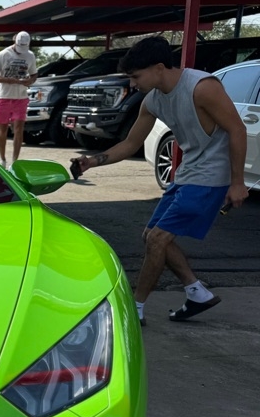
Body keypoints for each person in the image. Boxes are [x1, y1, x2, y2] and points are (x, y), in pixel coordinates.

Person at [71, 35, 248, 325]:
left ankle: (135, 308)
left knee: (157, 239)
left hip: (211, 176)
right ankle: (196, 292)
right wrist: (93, 161)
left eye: (135, 76)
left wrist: (237, 182)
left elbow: (237, 129)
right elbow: (130, 143)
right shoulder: (152, 101)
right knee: (151, 236)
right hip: (189, 172)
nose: (132, 84)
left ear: (159, 68)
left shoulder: (202, 88)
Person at [0, 31, 38, 168]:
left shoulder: (30, 55)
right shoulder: (4, 54)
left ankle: (15, 161)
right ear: (15, 41)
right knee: (2, 129)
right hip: (4, 96)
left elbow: (34, 74)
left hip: (21, 97)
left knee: (19, 129)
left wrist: (30, 81)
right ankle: (2, 159)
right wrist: (7, 80)